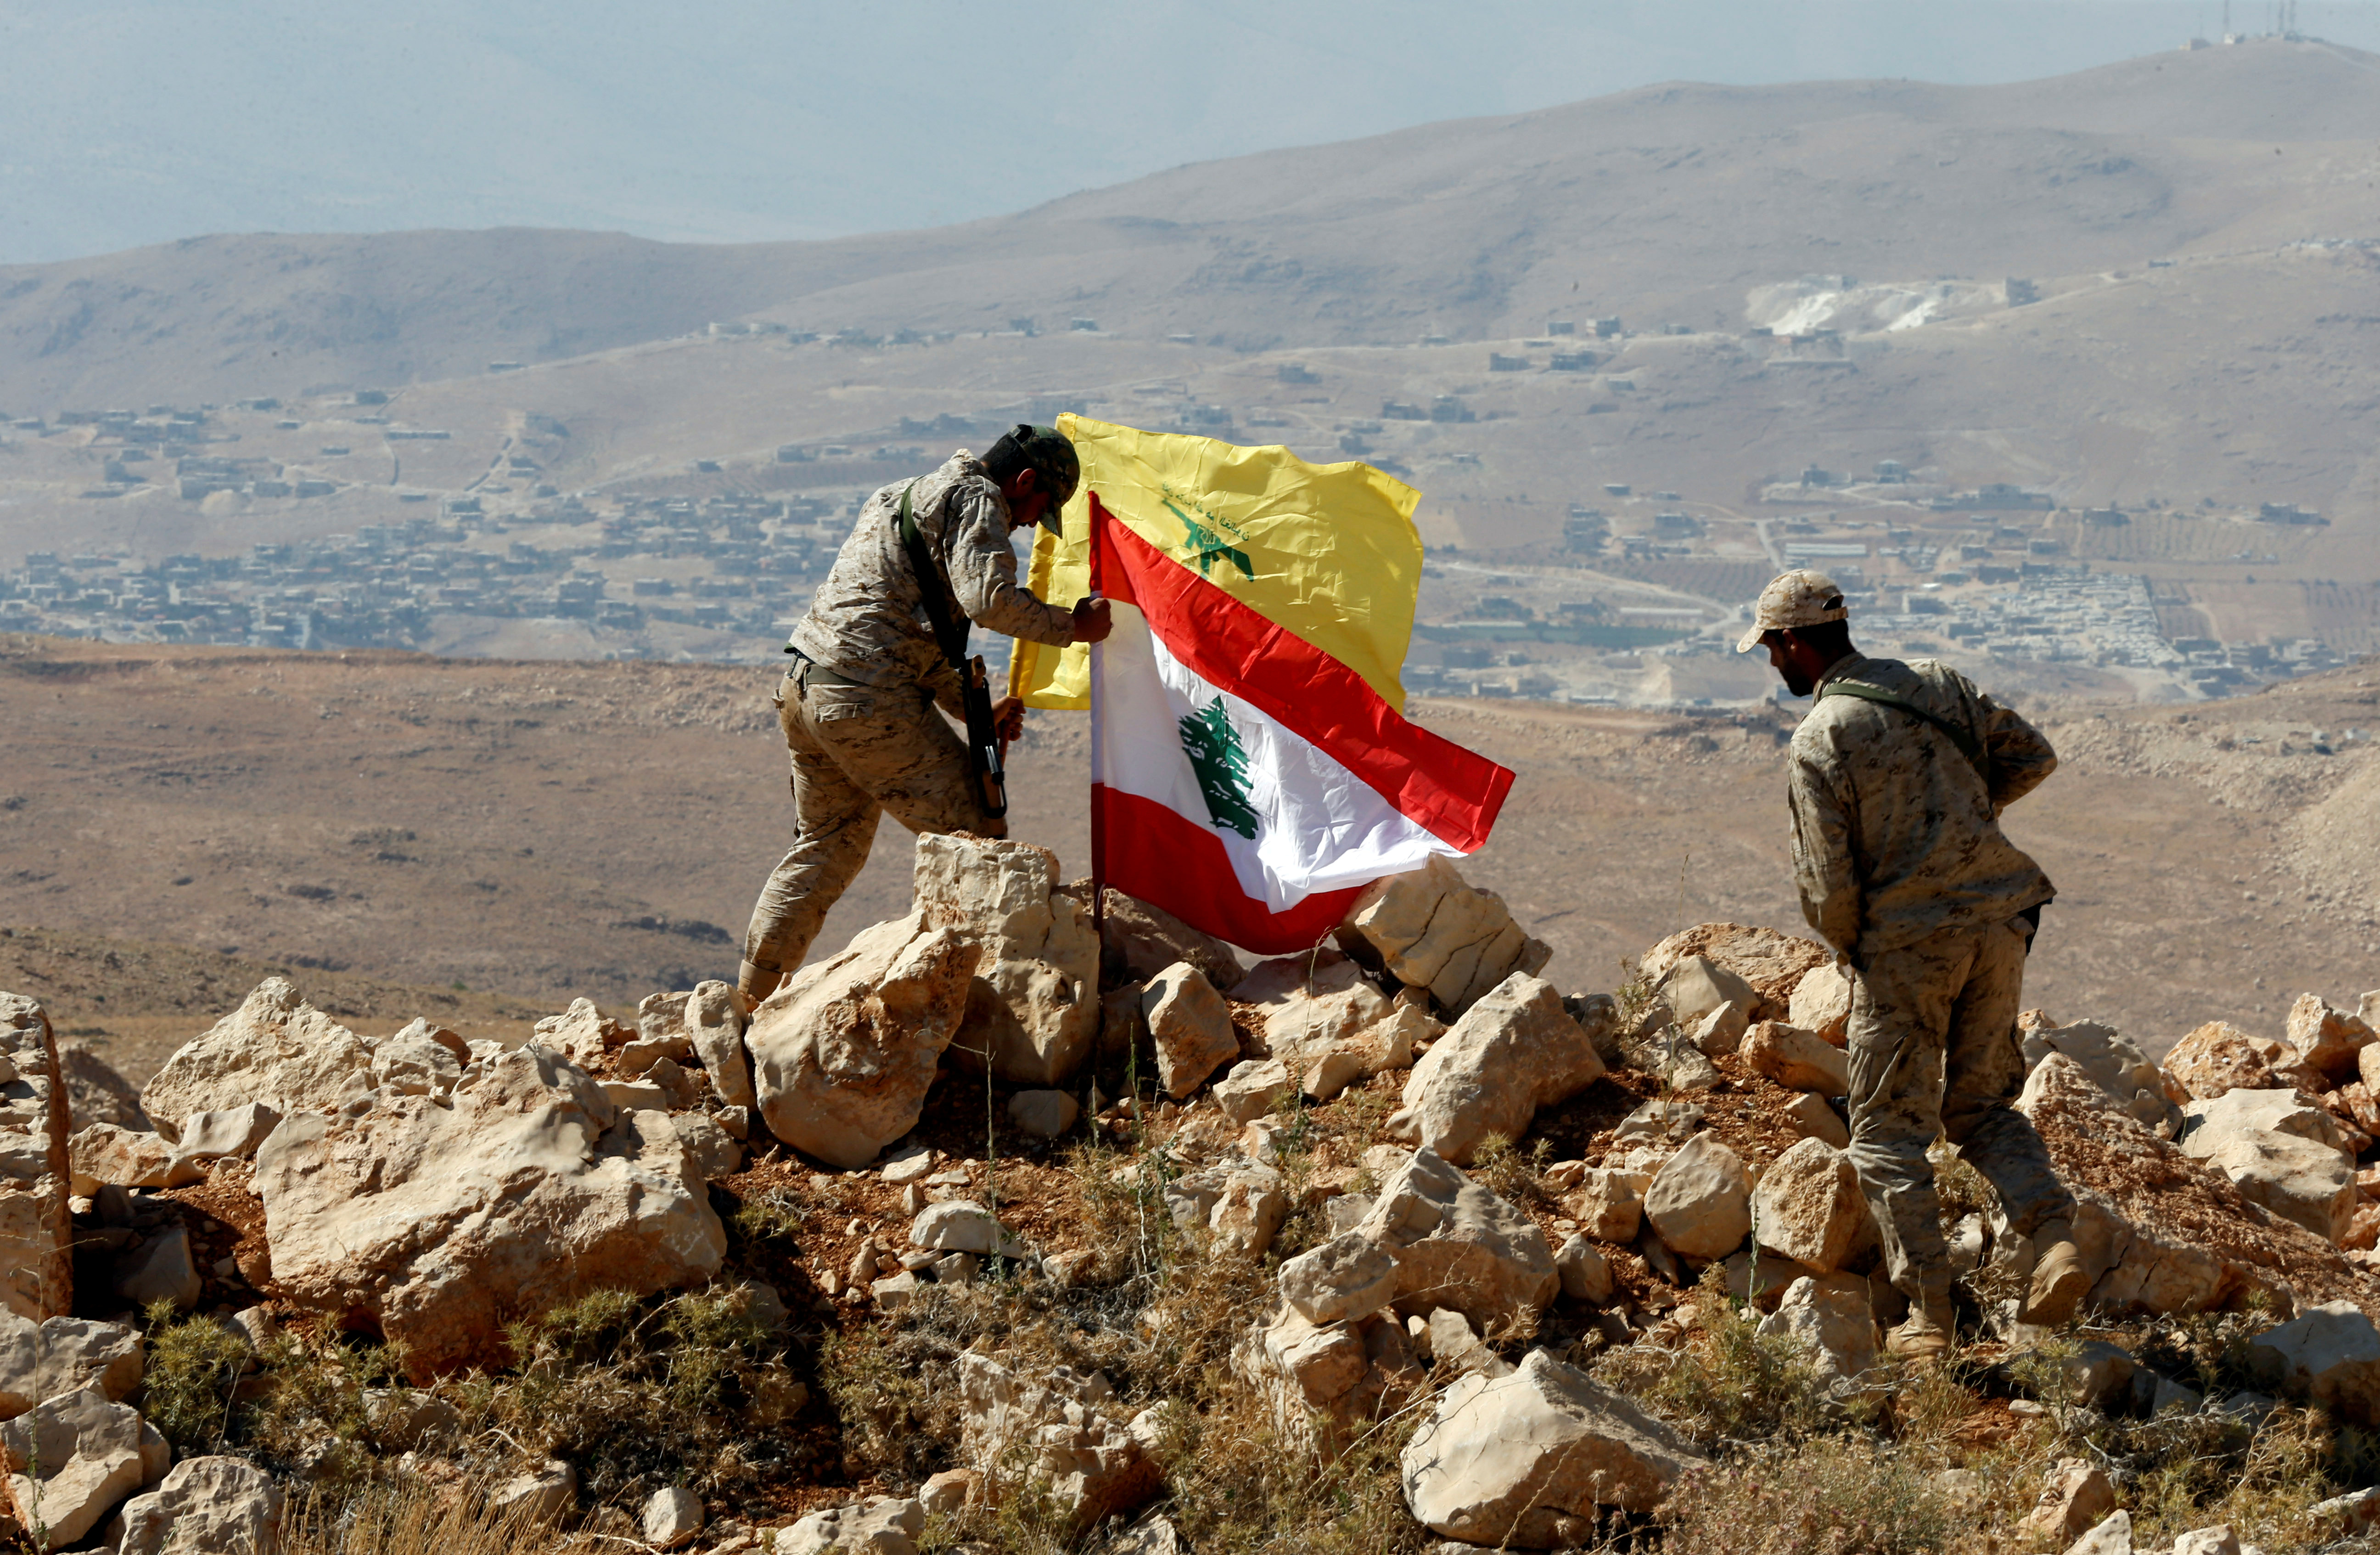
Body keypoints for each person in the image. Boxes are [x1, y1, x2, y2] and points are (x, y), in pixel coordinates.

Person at [1741, 568, 2088, 1357]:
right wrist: (1963, 825)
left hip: (1906, 948)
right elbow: (2030, 756)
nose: (1770, 664)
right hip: (2000, 921)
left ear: (1795, 641)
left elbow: (1826, 886)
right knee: (1980, 1109)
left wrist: (1853, 946)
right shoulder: (1936, 684)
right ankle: (2053, 1236)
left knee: (1885, 1135)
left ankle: (1928, 1317)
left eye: (1770, 647)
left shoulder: (1819, 738)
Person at [735, 424, 1112, 1013]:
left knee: (826, 848)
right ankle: (983, 1012)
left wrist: (974, 712)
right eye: (1040, 509)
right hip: (866, 700)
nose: (1032, 523)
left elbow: (906, 624)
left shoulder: (901, 494)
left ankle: (745, 1003)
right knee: (977, 840)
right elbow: (988, 600)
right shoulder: (980, 499)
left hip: (808, 689)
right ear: (1025, 481)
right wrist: (1074, 627)